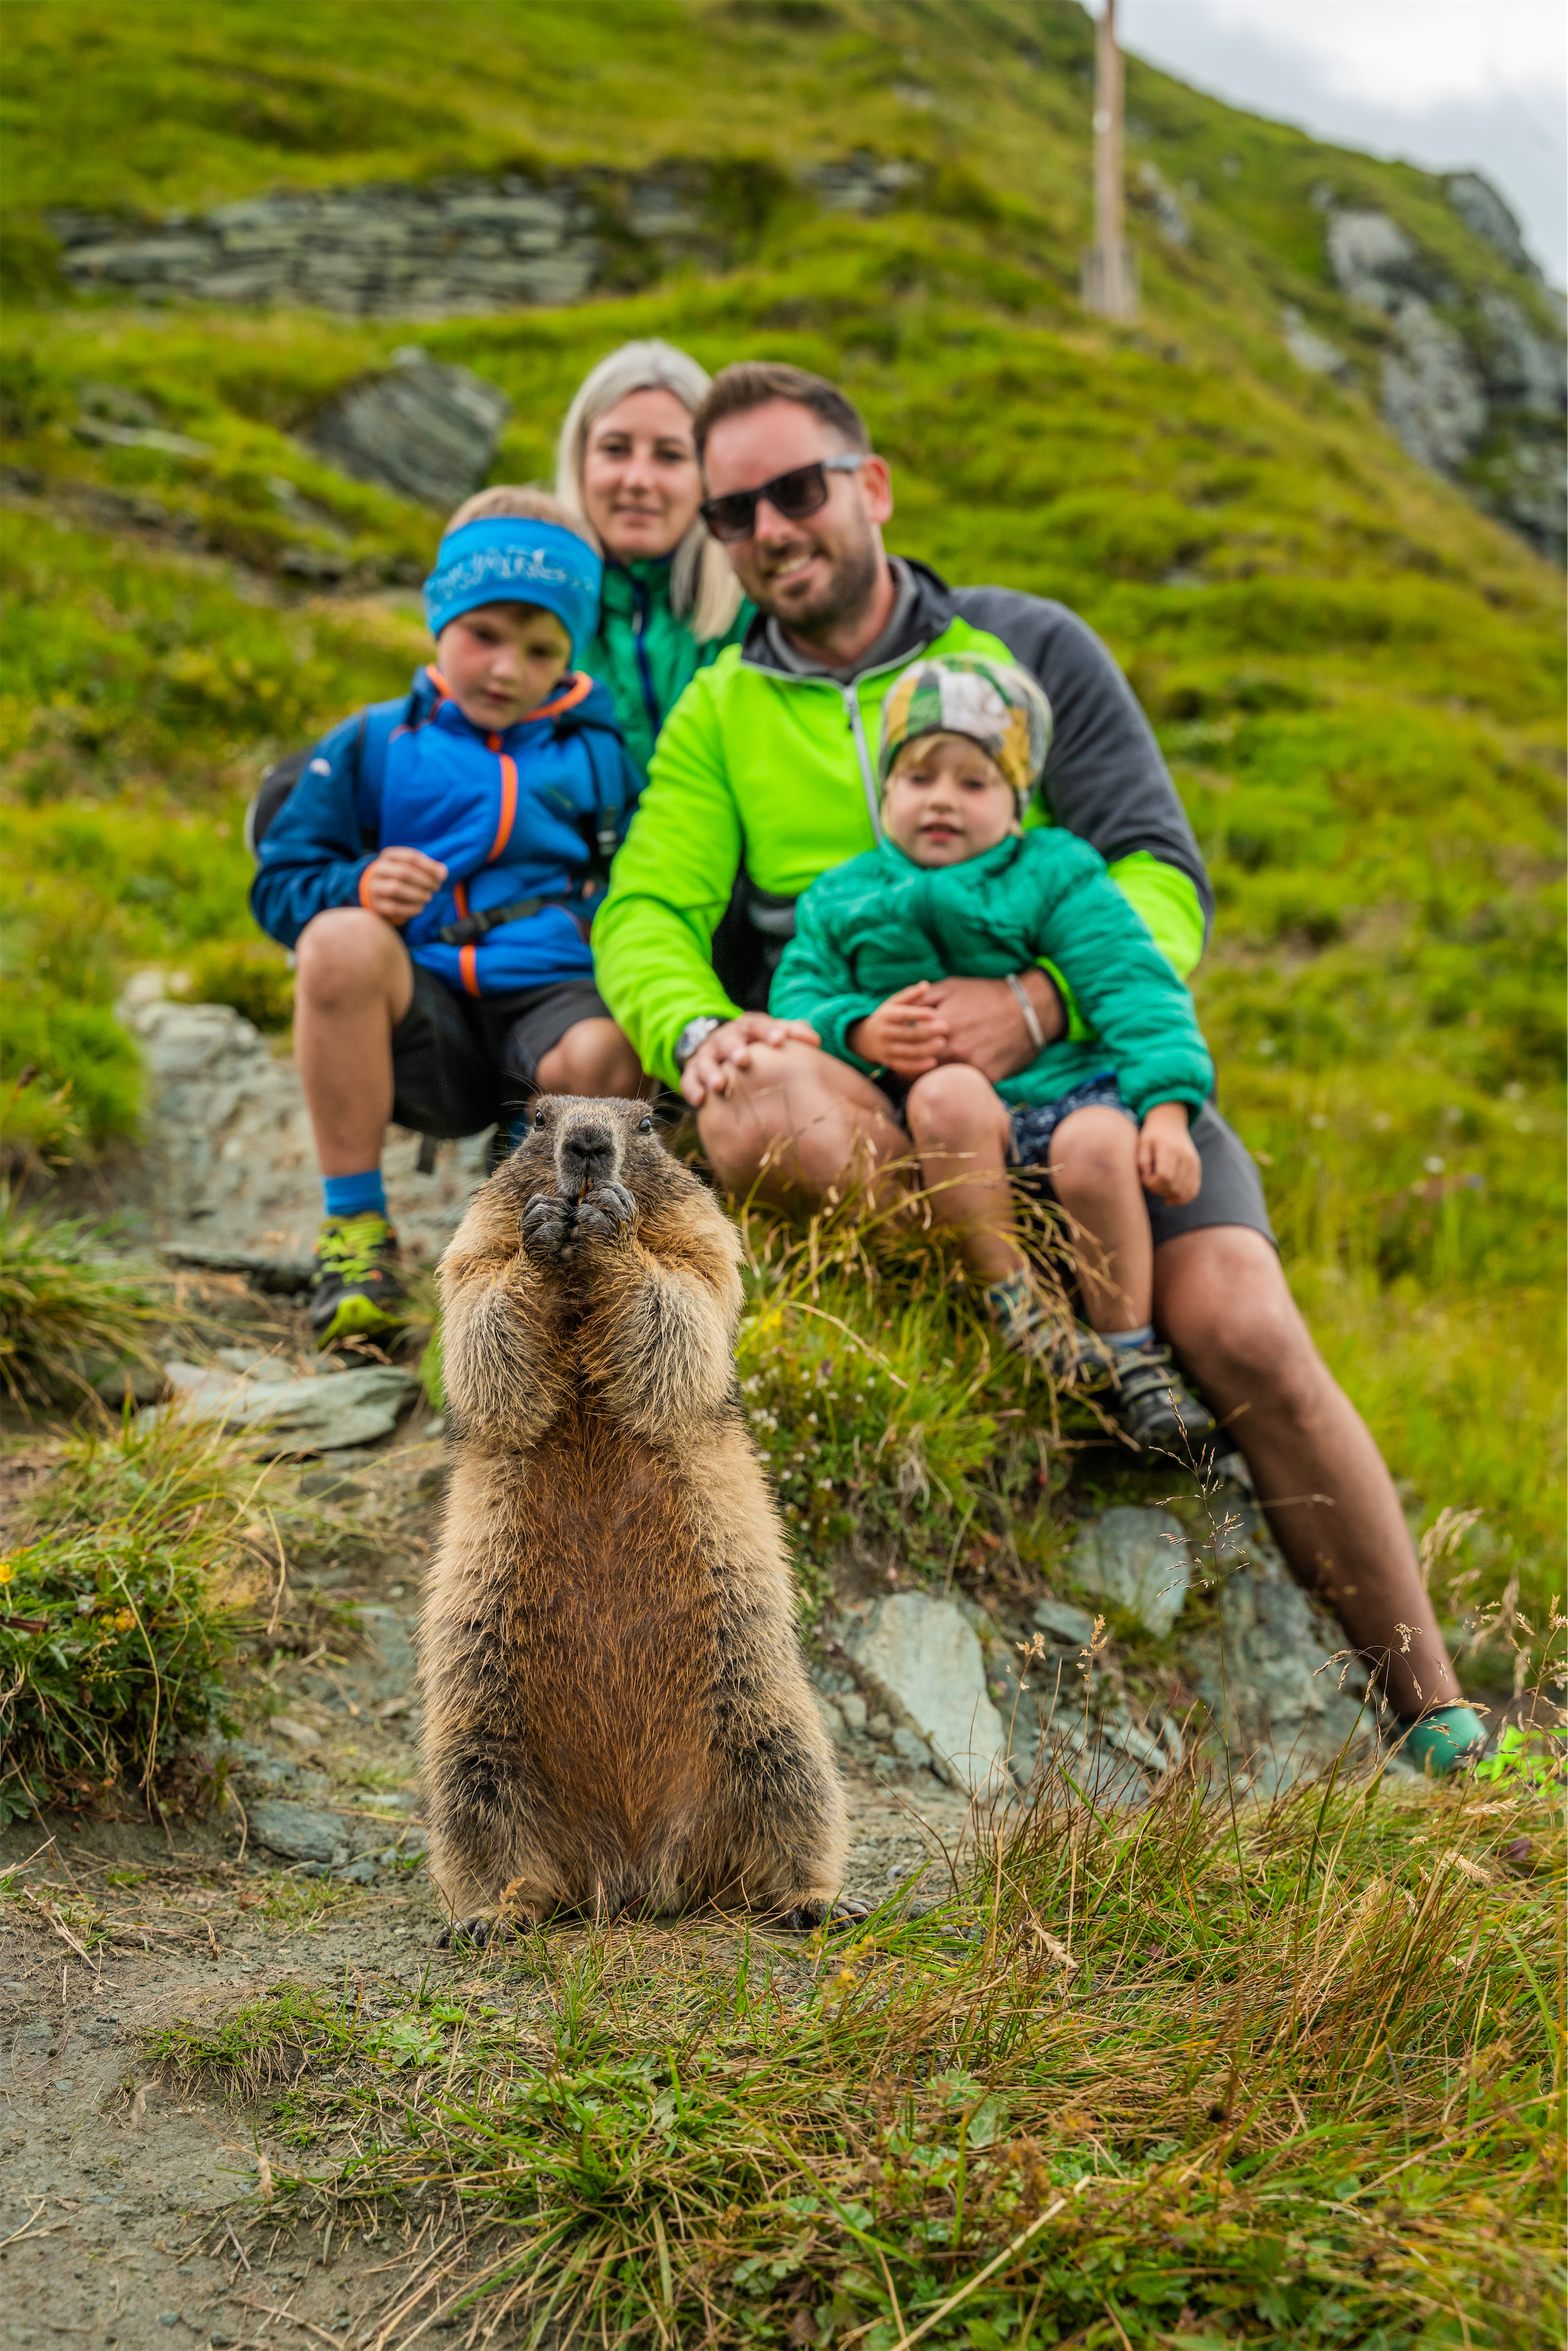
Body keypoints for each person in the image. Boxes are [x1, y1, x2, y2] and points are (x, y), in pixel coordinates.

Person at [594, 360, 1485, 1775]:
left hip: (1083, 1085)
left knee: (1248, 1324)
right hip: (887, 1112)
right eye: (734, 511)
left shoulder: (1034, 647)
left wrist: (1039, 992)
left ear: (869, 488)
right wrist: (701, 1030)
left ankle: (1439, 1721)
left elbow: (1161, 874)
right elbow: (645, 909)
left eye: (797, 489)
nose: (769, 526)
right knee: (763, 1110)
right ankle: (1037, 1336)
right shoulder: (718, 711)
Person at [772, 651, 1217, 1449]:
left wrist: (1170, 1111)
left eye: (974, 782)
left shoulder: (1056, 871)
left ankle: (1132, 1352)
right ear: (884, 793)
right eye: (917, 778)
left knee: (1098, 1143)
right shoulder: (843, 895)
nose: (942, 799)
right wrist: (861, 1029)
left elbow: (1136, 986)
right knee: (946, 1091)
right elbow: (798, 1000)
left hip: (1068, 1092)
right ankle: (1017, 1307)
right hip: (948, 1131)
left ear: (1017, 801)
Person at [251, 486, 646, 1350]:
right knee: (337, 941)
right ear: (439, 617)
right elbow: (279, 887)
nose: (507, 668)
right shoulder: (371, 743)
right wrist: (355, 883)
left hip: (551, 1002)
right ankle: (354, 1235)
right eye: (484, 636)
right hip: (421, 1014)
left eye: (540, 648)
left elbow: (642, 885)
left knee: (605, 1052)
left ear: (570, 653)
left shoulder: (605, 756)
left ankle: (529, 1234)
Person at [555, 339, 749, 779]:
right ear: (579, 461)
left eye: (670, 455)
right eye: (615, 449)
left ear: (708, 474)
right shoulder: (532, 611)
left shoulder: (759, 614)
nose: (638, 480)